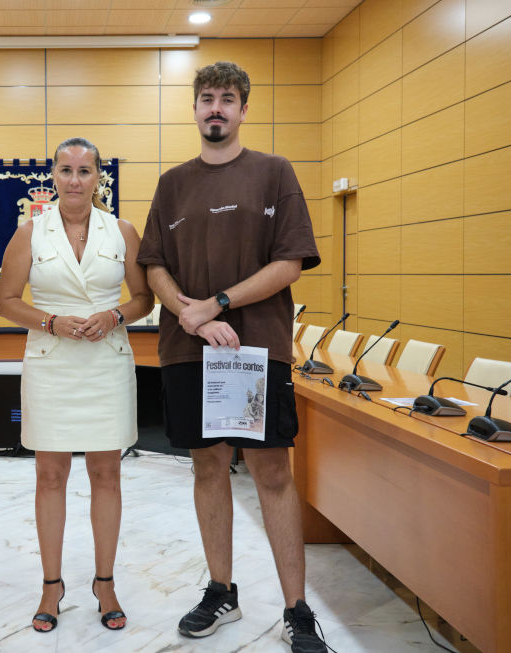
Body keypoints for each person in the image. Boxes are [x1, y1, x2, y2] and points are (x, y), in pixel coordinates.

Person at [136, 62, 327, 653]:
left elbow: (289, 263)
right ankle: (221, 591)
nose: (215, 108)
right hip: (188, 353)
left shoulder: (274, 172)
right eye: (206, 98)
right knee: (207, 467)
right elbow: (154, 265)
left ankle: (297, 609)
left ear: (243, 109)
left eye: (226, 98)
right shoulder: (172, 183)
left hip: (255, 351)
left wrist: (216, 303)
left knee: (272, 472)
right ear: (195, 109)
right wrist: (190, 314)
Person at [0, 137, 153, 633]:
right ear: (53, 176)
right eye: (66, 170)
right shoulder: (30, 232)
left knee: (107, 474)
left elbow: (144, 298)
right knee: (50, 476)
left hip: (106, 362)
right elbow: (6, 300)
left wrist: (113, 315)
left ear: (98, 176)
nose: (75, 180)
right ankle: (52, 585)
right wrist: (50, 321)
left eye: (85, 171)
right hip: (52, 363)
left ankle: (105, 583)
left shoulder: (122, 231)